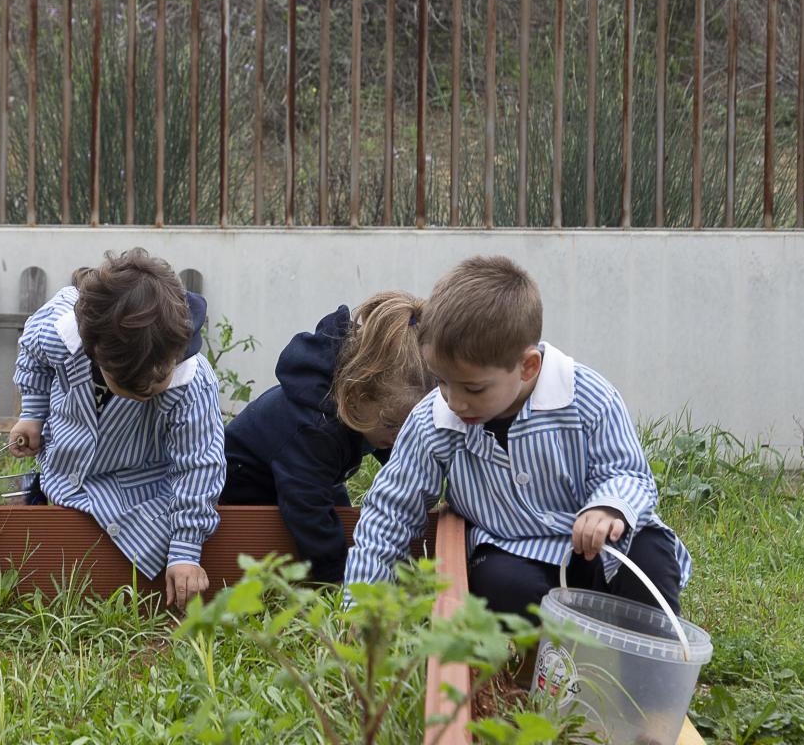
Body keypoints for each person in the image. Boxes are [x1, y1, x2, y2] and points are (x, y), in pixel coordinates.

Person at [344, 255, 690, 619]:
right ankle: (549, 655)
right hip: (515, 553)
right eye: (442, 381)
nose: (454, 400)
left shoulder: (587, 396)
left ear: (528, 367)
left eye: (473, 388)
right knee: (498, 583)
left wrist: (608, 507)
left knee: (650, 552)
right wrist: (363, 607)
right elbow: (390, 514)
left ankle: (646, 643)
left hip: (596, 551)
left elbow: (628, 472)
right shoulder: (434, 420)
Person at [8, 248, 225, 608]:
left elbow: (199, 465)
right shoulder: (62, 334)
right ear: (95, 352)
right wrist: (33, 412)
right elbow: (32, 352)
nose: (149, 387)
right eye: (129, 381)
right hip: (62, 482)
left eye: (159, 375)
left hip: (140, 501)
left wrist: (185, 550)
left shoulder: (191, 383)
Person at [220, 292, 429, 583]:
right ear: (356, 397)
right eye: (393, 426)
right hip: (242, 488)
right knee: (303, 530)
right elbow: (308, 511)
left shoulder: (367, 410)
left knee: (341, 514)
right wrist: (337, 577)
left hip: (308, 474)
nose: (398, 438)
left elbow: (404, 462)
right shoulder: (314, 428)